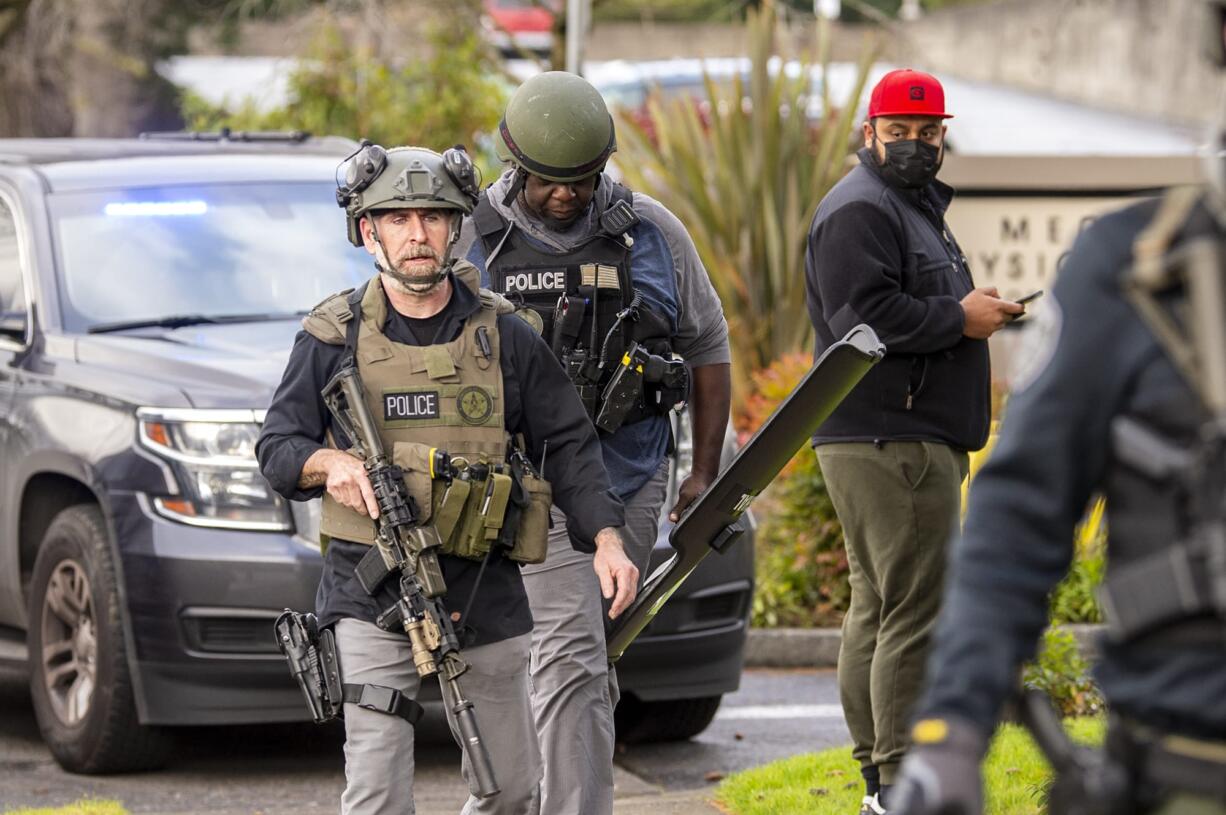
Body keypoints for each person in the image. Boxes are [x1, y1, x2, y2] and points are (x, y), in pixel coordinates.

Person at [892, 11, 1226, 814]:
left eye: (924, 128)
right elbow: (1019, 511)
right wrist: (953, 732)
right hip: (1189, 762)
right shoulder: (1137, 274)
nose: (915, 141)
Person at [256, 144, 640, 815]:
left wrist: (606, 537)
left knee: (511, 789)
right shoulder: (332, 336)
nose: (416, 234)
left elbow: (570, 445)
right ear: (367, 231)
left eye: (432, 217)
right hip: (370, 589)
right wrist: (330, 463)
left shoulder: (506, 336)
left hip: (485, 588)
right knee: (377, 792)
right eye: (397, 218)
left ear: (455, 224)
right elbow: (277, 447)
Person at [453, 71, 732, 815]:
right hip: (518, 491)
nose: (566, 195)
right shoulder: (471, 240)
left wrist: (703, 471)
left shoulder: (653, 234)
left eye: (582, 179)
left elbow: (709, 346)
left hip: (629, 476)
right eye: (549, 181)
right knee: (571, 658)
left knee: (578, 657)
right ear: (514, 163)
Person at [803, 68, 1024, 814]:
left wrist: (970, 309)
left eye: (929, 133)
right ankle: (899, 783)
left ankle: (880, 781)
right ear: (869, 132)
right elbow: (859, 319)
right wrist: (958, 319)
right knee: (913, 610)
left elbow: (909, 301)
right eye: (899, 132)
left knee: (881, 604)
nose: (916, 145)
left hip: (895, 434)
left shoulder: (908, 208)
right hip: (889, 436)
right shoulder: (860, 209)